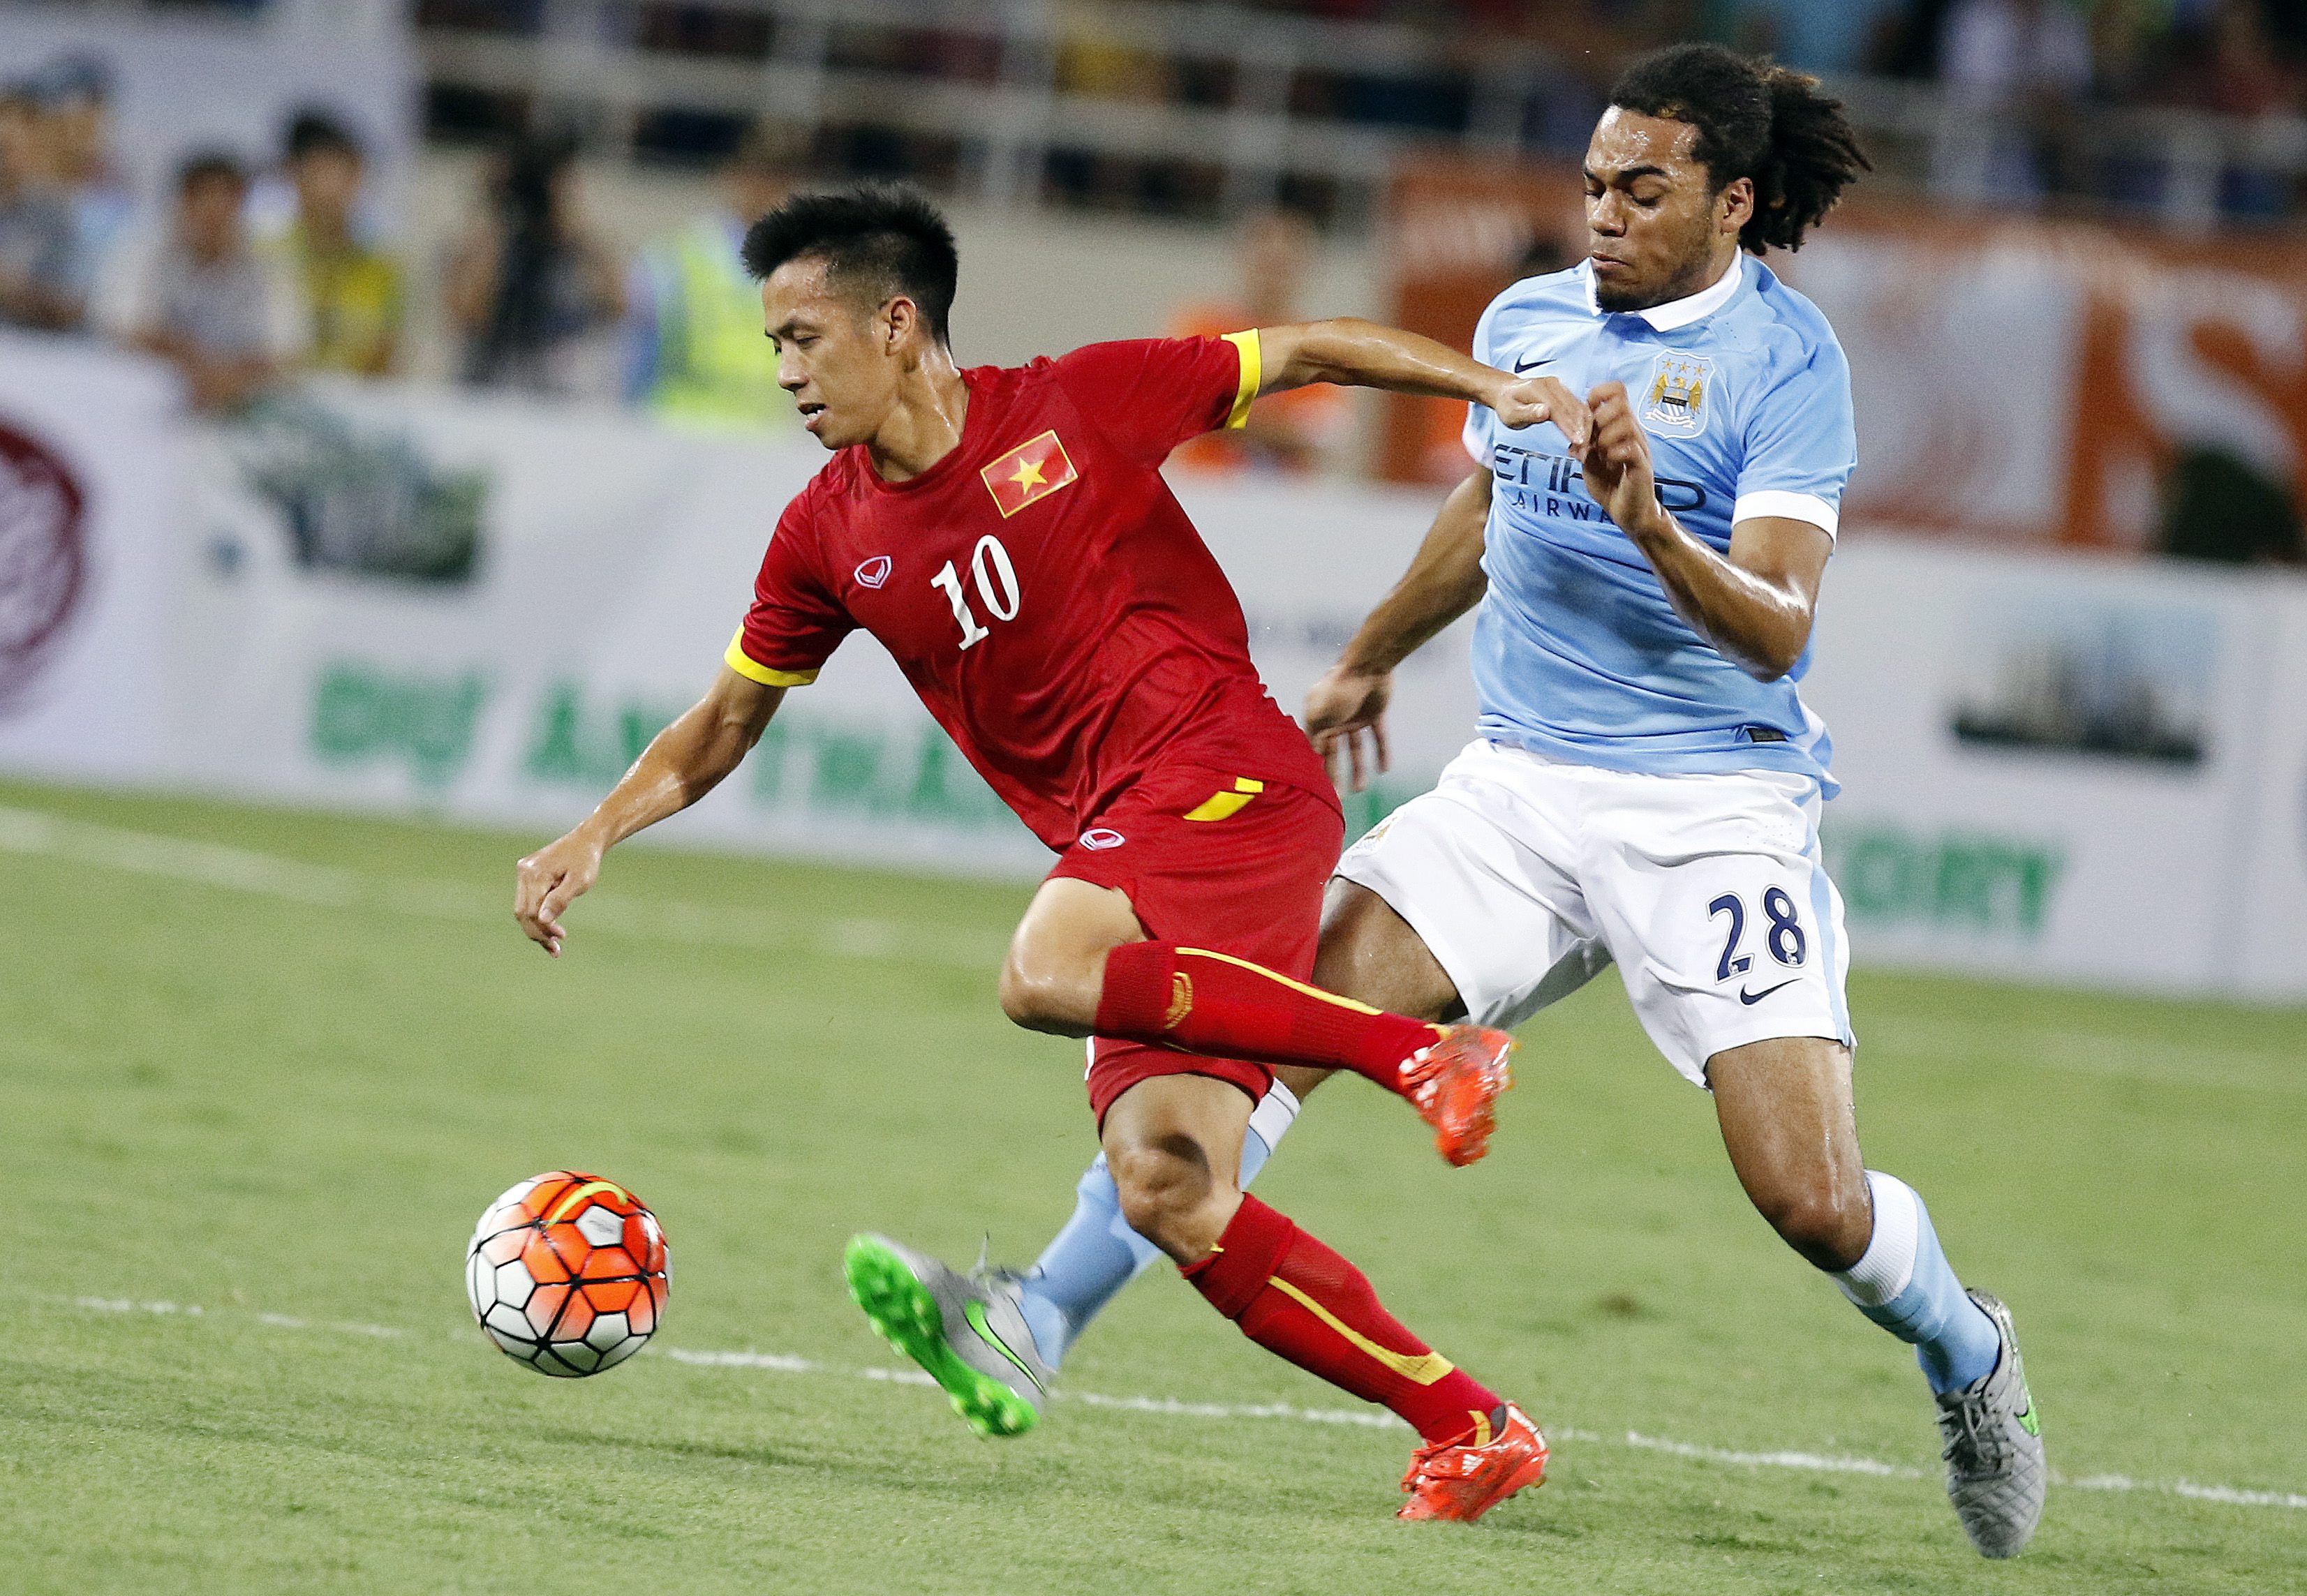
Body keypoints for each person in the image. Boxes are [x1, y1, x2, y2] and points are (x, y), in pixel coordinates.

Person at [887, 44, 2050, 1562]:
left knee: (1811, 1203)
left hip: (1709, 808)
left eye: (1642, 191)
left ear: (1733, 201)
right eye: (1590, 187)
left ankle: (1966, 1356)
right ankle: (1036, 1311)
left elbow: (1776, 624)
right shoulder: (1529, 320)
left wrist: (1647, 527)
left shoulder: (1786, 363)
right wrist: (1369, 655)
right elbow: (1487, 501)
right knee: (1252, 1021)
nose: (1603, 218)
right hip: (1513, 790)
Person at [512, 183, 1589, 1522]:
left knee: (1044, 965)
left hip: (1230, 777)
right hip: (1126, 828)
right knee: (1169, 1191)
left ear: (897, 324)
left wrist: (1498, 384)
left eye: (804, 336)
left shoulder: (1076, 404)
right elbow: (726, 722)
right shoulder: (825, 534)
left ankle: (1418, 1053)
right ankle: (1470, 1424)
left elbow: (1310, 345)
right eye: (775, 342)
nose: (786, 370)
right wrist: (595, 828)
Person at [623, 121, 799, 428]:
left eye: (778, 178)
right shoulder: (682, 257)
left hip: (763, 446)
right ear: (734, 175)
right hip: (682, 432)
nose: (767, 189)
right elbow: (632, 324)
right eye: (759, 175)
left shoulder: (804, 272)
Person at [97, 151, 302, 413]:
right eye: (203, 201)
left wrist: (228, 377)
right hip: (150, 398)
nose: (215, 216)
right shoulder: (143, 250)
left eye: (226, 203)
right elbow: (122, 328)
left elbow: (285, 352)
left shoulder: (268, 266)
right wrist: (194, 362)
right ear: (182, 203)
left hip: (237, 399)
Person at [1166, 209, 1353, 476]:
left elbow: (1322, 435)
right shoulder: (1203, 329)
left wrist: (1230, 417)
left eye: (1283, 265)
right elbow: (1187, 408)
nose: (1273, 275)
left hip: (1283, 501)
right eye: (1266, 262)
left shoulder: (1320, 344)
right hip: (1206, 489)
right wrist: (1279, 427)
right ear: (1243, 259)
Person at [446, 129, 624, 397]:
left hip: (560, 406)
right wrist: (499, 215)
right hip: (490, 398)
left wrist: (570, 229)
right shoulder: (486, 246)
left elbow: (618, 304)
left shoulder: (575, 249)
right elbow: (469, 312)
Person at [272, 110, 403, 377]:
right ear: (294, 173)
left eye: (347, 172)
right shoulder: (264, 256)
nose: (333, 187)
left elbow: (388, 357)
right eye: (321, 171)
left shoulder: (385, 269)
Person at [0, 82, 83, 331]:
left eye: (9, 146)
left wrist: (13, 290)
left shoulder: (54, 215)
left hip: (26, 352)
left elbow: (72, 307)